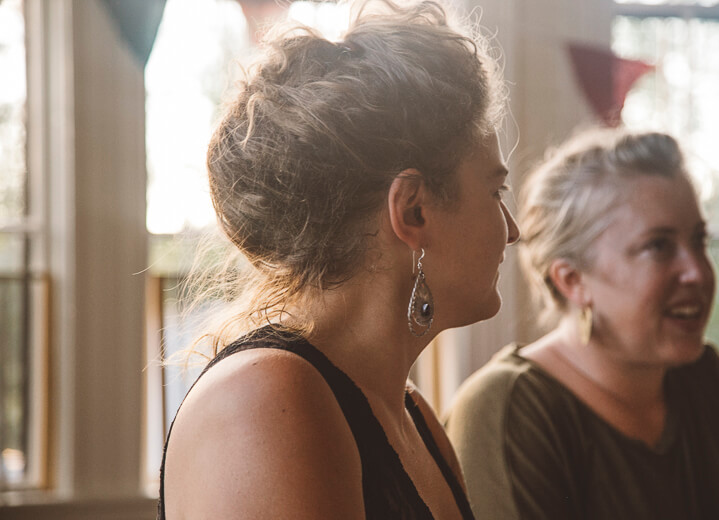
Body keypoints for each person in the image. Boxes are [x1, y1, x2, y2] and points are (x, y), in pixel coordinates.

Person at [157, 0, 519, 518]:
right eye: (494, 192)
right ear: (413, 210)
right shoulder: (265, 401)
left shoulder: (414, 416)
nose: (514, 231)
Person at [445, 129, 719, 519]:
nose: (698, 273)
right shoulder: (509, 409)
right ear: (572, 280)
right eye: (658, 246)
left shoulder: (704, 375)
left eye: (699, 240)